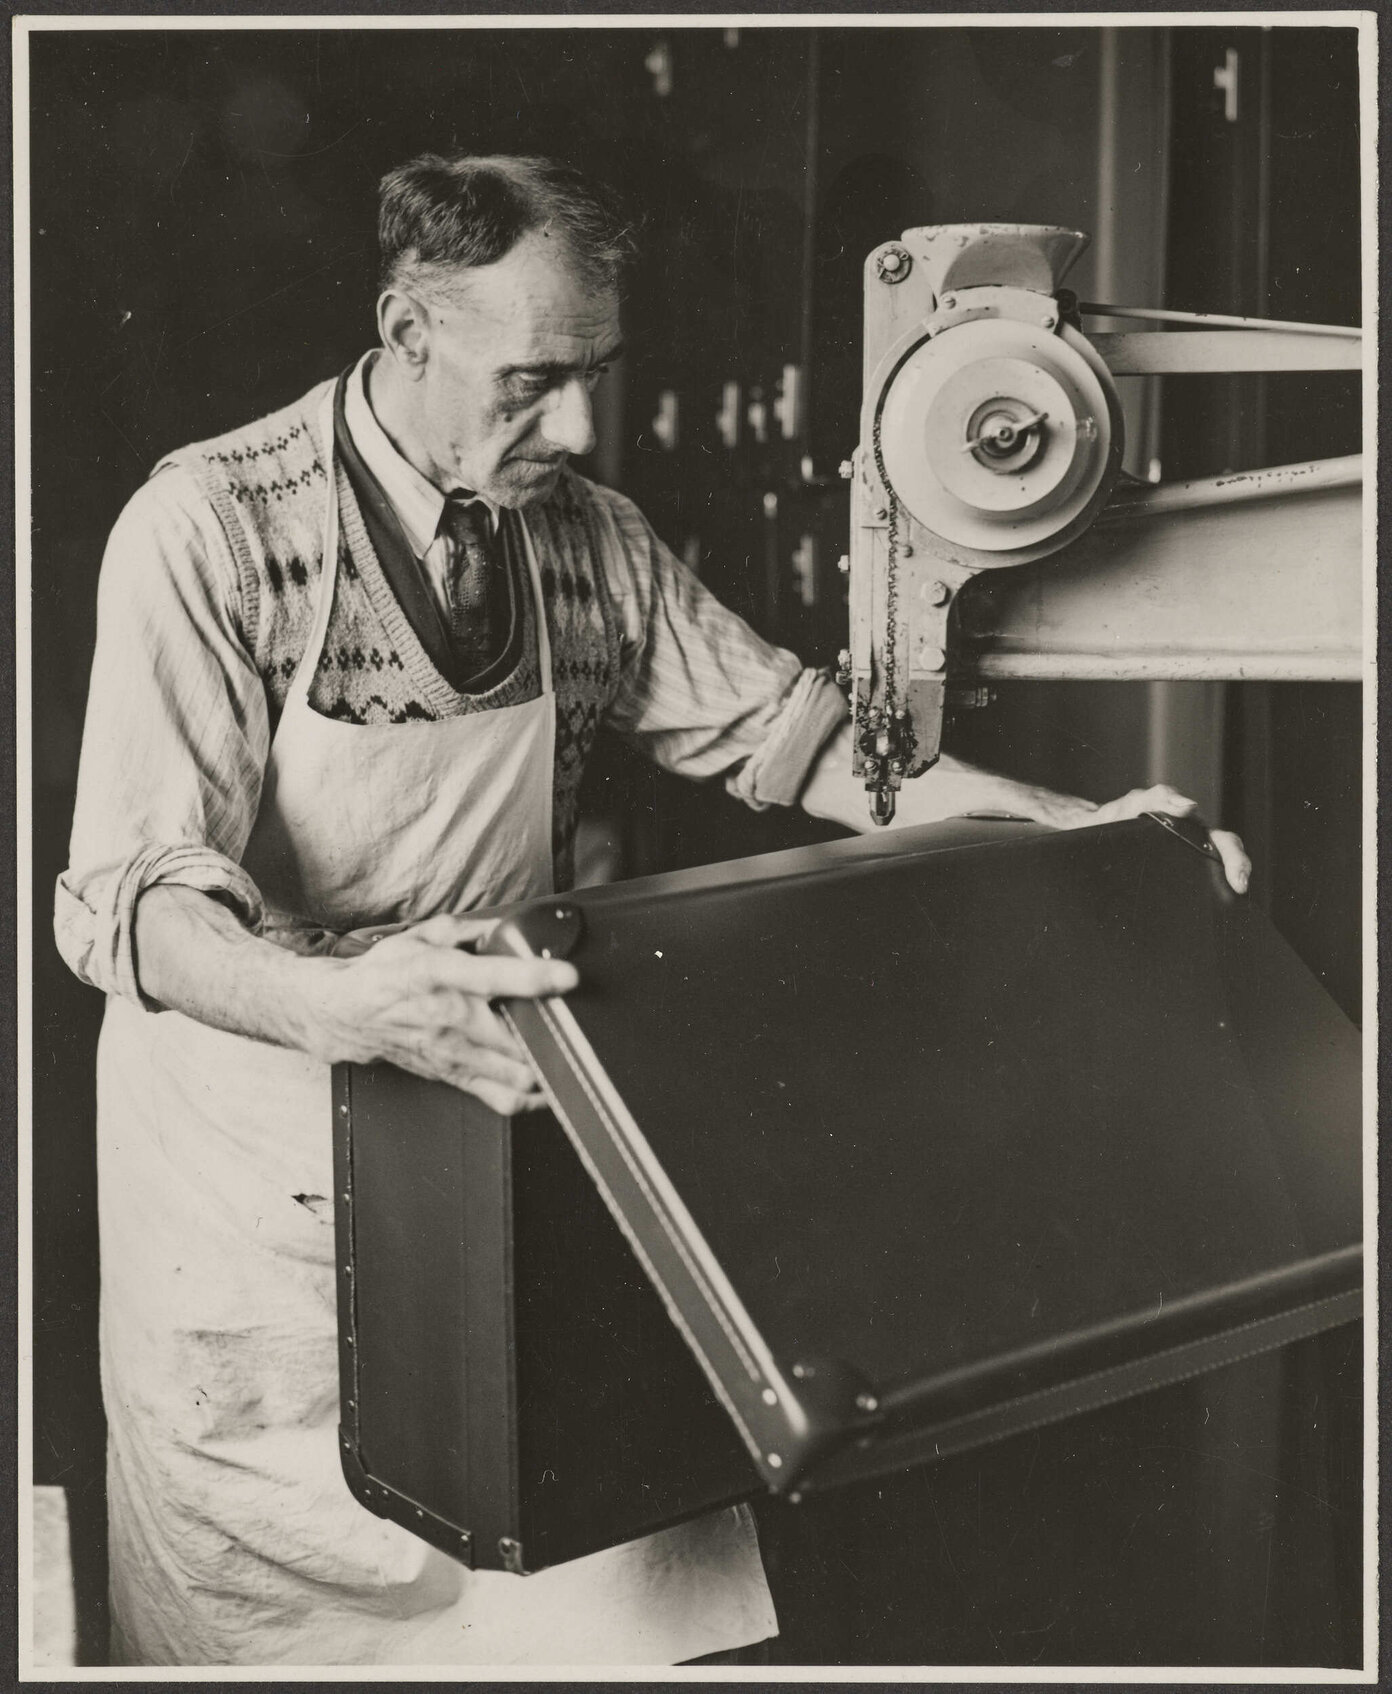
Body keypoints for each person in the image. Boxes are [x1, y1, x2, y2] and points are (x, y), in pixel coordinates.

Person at [55, 151, 1248, 1668]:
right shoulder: (211, 533)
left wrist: (1073, 823)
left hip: (489, 1149)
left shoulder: (584, 536)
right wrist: (347, 1002)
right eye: (536, 379)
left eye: (598, 374)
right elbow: (130, 908)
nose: (580, 426)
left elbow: (797, 739)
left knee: (588, 1604)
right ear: (404, 326)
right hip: (255, 1209)